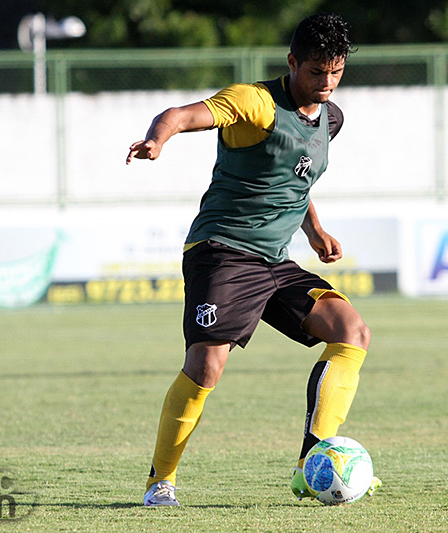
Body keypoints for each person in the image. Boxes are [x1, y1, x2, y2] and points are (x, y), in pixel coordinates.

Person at [126, 12, 379, 507]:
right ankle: (161, 482)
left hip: (273, 261)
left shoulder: (331, 119)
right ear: (291, 63)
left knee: (352, 331)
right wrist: (158, 139)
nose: (326, 83)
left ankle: (311, 466)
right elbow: (178, 114)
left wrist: (317, 230)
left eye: (336, 71)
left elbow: (293, 179)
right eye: (315, 72)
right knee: (206, 368)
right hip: (221, 252)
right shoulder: (254, 102)